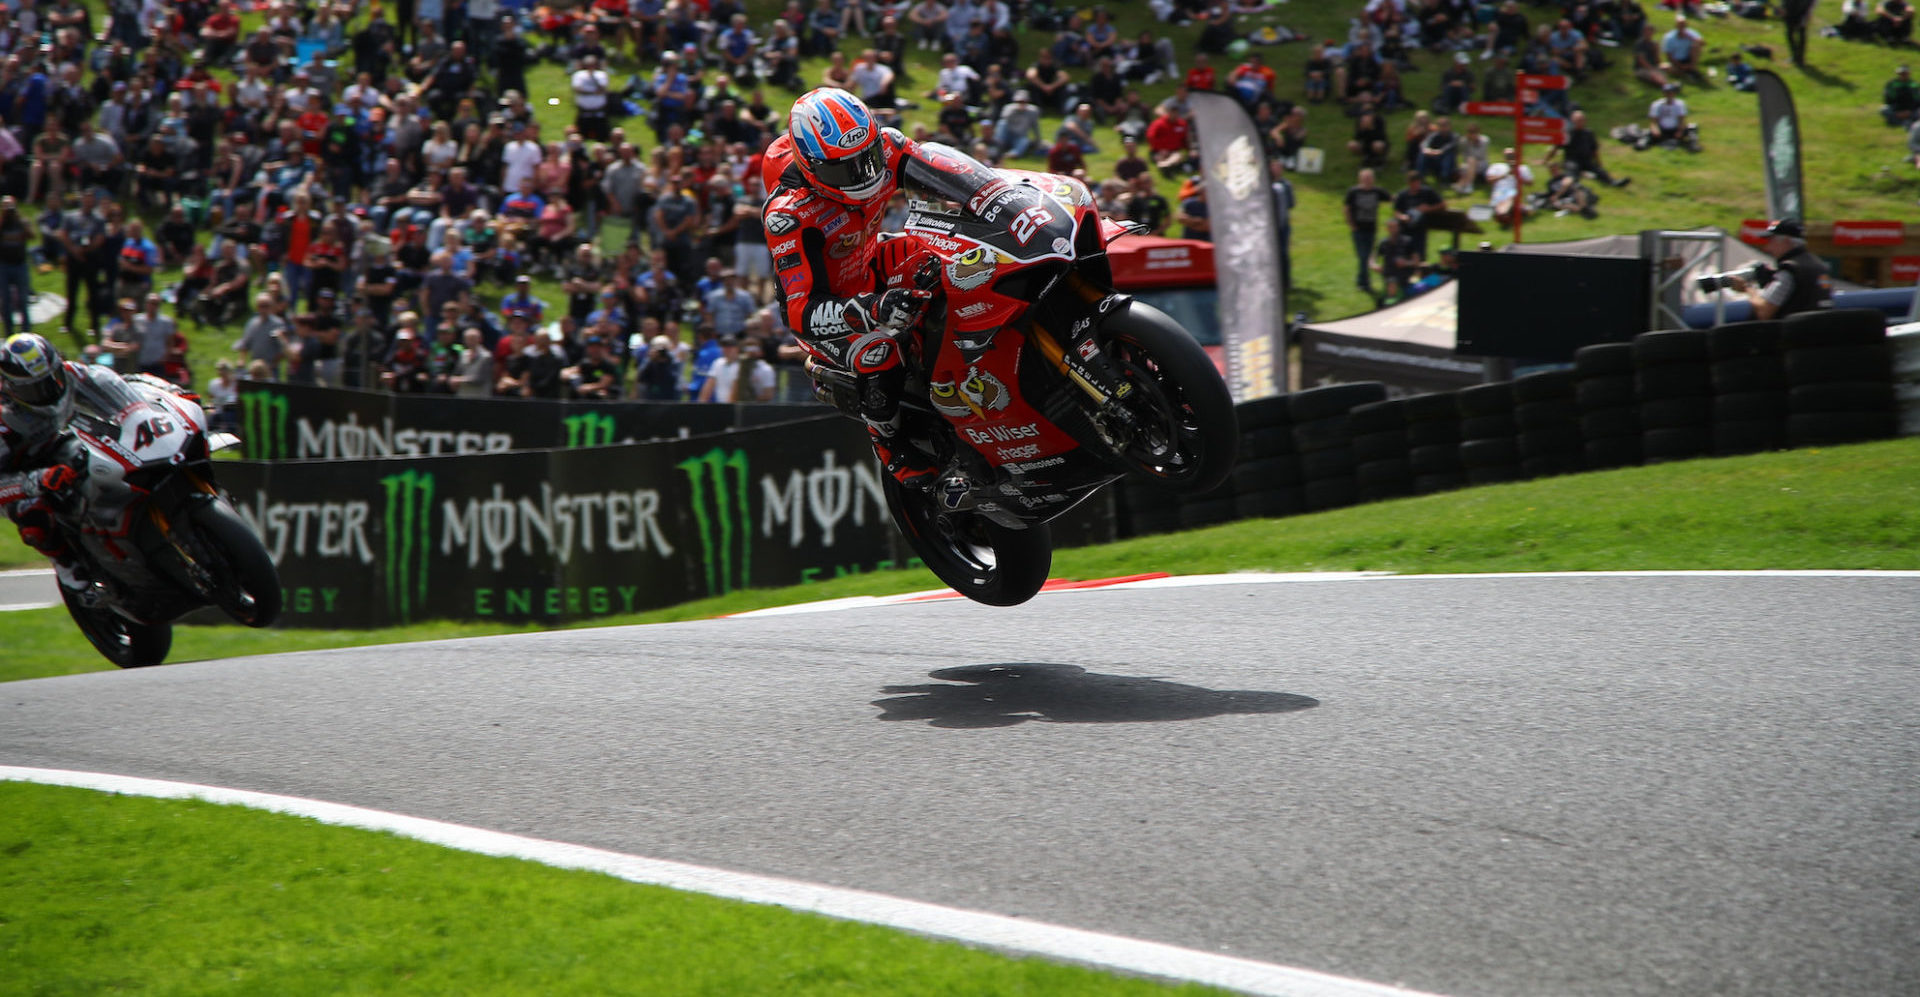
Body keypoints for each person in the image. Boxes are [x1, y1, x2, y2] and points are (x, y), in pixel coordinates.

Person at [761, 89, 953, 488]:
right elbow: (798, 312)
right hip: (828, 311)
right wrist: (872, 311)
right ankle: (888, 442)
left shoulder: (885, 148)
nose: (864, 176)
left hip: (869, 257)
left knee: (946, 257)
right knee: (878, 353)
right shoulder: (789, 216)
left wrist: (997, 195)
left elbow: (948, 172)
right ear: (812, 168)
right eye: (843, 170)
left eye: (866, 161)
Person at [0, 333, 105, 594]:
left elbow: (111, 386)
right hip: (18, 474)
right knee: (32, 515)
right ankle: (65, 565)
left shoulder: (67, 373)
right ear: (10, 388)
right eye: (36, 388)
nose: (50, 390)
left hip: (60, 441)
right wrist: (37, 480)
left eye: (52, 379)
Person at [1727, 219, 1833, 320]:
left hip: (1793, 335)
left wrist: (1747, 288)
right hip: (1819, 333)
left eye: (1771, 241)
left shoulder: (1790, 270)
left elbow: (1763, 312)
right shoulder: (1819, 266)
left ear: (1786, 241)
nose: (1767, 248)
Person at [1549, 111, 1629, 188]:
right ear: (1573, 121)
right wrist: (1546, 160)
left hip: (1586, 161)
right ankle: (1574, 185)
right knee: (1572, 171)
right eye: (1578, 120)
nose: (1580, 122)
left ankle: (1613, 182)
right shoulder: (1567, 134)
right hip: (1572, 160)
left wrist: (1599, 163)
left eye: (1582, 120)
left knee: (1599, 171)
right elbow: (1556, 147)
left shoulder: (1588, 133)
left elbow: (1594, 150)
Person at [1343, 168, 1387, 292]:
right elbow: (1346, 208)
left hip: (1371, 229)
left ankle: (1361, 282)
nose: (1367, 181)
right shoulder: (1353, 192)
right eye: (1365, 178)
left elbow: (1392, 198)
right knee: (1363, 256)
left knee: (1366, 257)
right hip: (1358, 230)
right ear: (1360, 179)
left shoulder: (1377, 192)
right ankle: (1364, 284)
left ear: (1373, 179)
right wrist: (1351, 224)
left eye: (1369, 178)